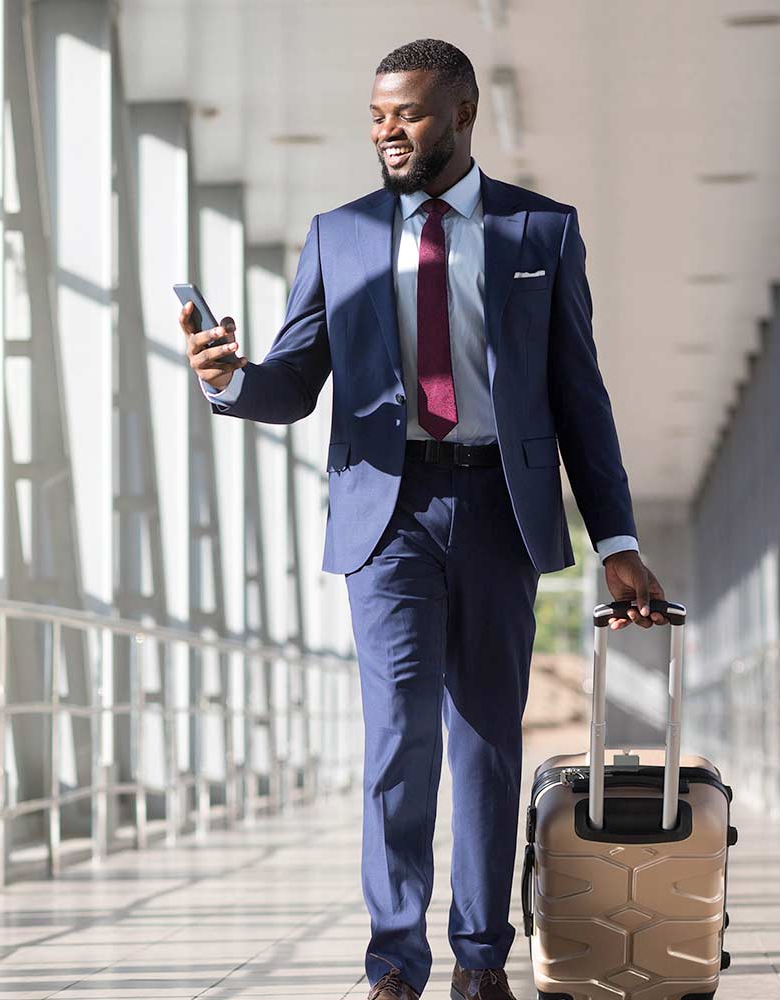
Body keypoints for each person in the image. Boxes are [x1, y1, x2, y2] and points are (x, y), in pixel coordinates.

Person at [180, 38, 667, 1000]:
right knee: (399, 737)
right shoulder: (341, 233)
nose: (387, 132)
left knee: (486, 739)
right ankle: (395, 963)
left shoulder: (541, 231)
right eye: (375, 116)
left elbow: (581, 397)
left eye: (405, 113)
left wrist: (618, 543)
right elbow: (293, 381)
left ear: (461, 114)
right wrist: (232, 378)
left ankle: (481, 962)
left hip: (498, 506)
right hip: (386, 511)